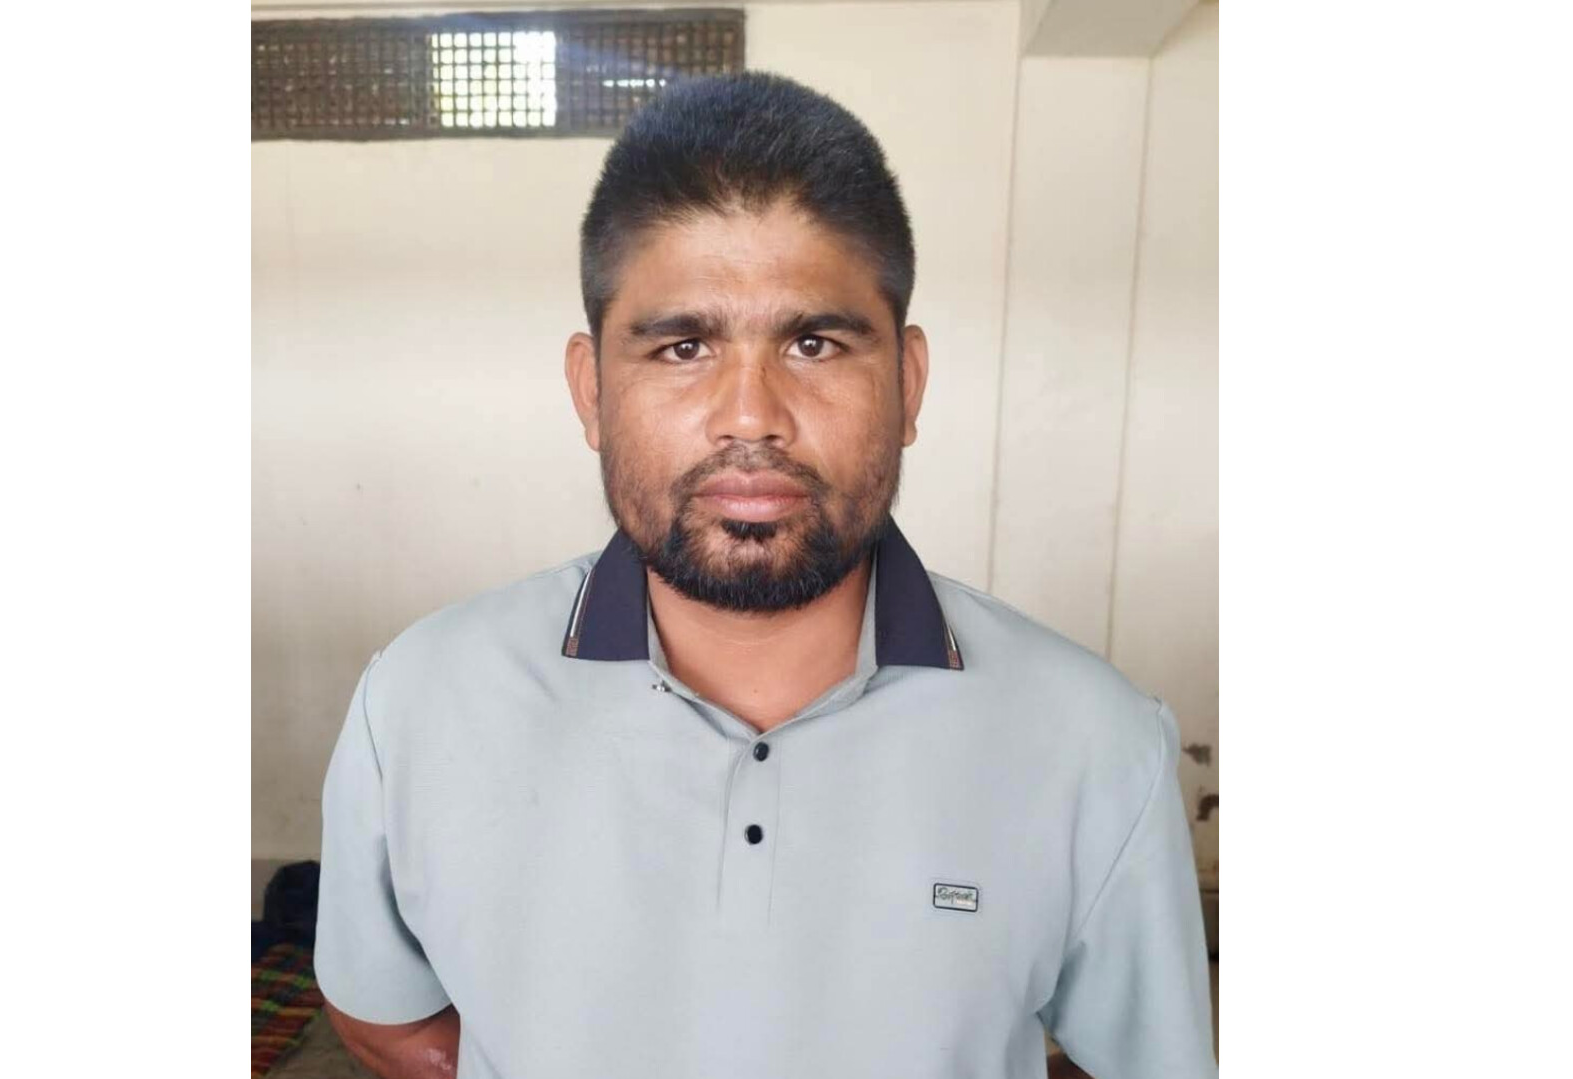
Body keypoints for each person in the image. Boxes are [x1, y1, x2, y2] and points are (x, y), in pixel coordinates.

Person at [313, 71, 1215, 1079]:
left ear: (908, 383)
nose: (750, 414)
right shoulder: (418, 701)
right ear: (592, 391)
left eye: (814, 342)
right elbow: (386, 1021)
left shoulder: (1098, 744)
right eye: (683, 346)